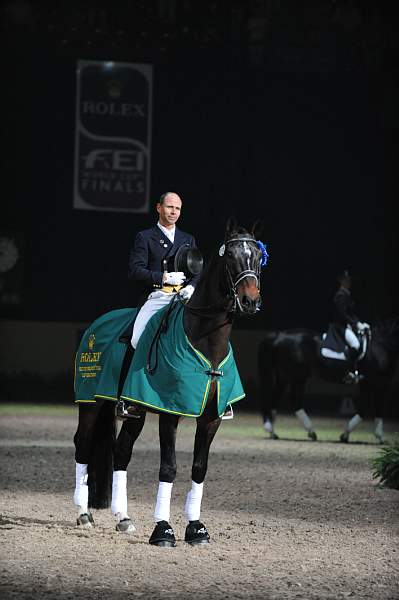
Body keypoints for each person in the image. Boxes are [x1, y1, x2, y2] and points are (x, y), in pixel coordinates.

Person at [117, 191, 201, 416]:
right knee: (136, 338)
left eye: (178, 209)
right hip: (157, 296)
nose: (174, 212)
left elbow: (197, 270)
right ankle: (124, 399)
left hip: (182, 297)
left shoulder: (188, 239)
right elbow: (135, 271)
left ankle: (212, 395)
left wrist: (191, 286)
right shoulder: (145, 237)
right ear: (158, 208)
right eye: (169, 207)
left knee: (205, 333)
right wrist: (162, 277)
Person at [326, 270, 370, 383]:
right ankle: (348, 373)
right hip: (340, 327)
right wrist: (356, 325)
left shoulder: (347, 295)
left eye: (349, 280)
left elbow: (351, 314)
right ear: (341, 281)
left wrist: (360, 323)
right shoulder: (340, 295)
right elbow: (343, 314)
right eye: (346, 280)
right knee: (355, 345)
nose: (348, 282)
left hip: (348, 325)